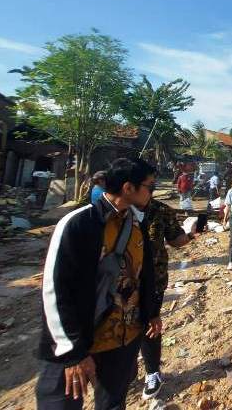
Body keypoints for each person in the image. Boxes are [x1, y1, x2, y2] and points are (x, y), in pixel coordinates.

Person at [36, 158, 161, 410]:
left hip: (121, 341)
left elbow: (143, 275)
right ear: (128, 188)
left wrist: (151, 312)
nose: (153, 192)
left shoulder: (136, 225)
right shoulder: (78, 225)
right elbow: (56, 290)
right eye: (150, 186)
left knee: (113, 403)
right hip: (77, 344)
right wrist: (73, 353)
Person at [140, 197, 198, 400]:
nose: (150, 188)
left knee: (150, 326)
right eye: (146, 184)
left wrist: (190, 235)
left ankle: (152, 372)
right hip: (120, 284)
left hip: (154, 280)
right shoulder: (114, 211)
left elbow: (175, 240)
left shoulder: (160, 211)